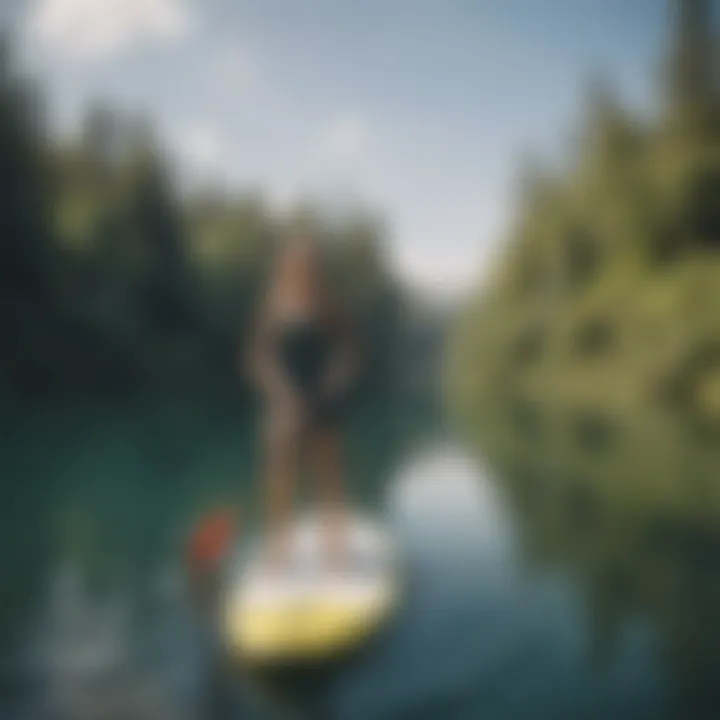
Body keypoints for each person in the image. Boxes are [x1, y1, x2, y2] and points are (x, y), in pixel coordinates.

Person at [247, 232, 360, 569]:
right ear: (285, 266)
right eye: (296, 264)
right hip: (283, 402)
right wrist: (281, 393)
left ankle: (335, 547)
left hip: (321, 399)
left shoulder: (329, 305)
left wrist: (334, 382)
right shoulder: (273, 304)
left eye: (309, 264)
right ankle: (279, 547)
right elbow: (258, 357)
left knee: (329, 474)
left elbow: (349, 352)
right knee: (280, 476)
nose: (303, 269)